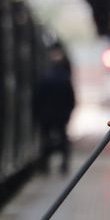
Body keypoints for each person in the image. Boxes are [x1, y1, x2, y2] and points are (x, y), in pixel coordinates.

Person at [33, 45, 76, 173]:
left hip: (46, 115)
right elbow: (71, 99)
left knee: (45, 139)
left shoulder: (45, 77)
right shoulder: (65, 78)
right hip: (60, 115)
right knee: (62, 139)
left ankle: (45, 165)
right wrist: (68, 113)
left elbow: (38, 98)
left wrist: (37, 114)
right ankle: (63, 165)